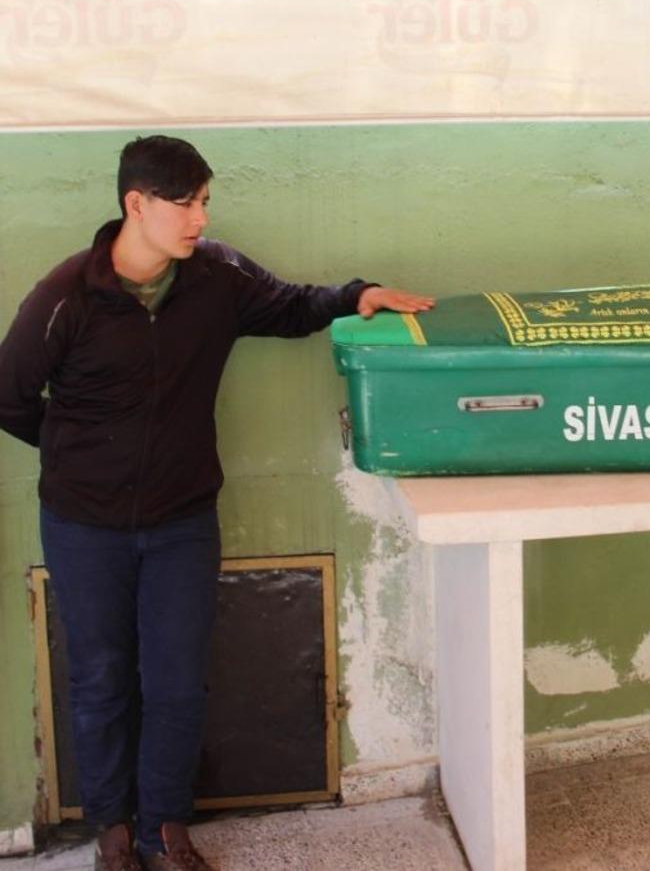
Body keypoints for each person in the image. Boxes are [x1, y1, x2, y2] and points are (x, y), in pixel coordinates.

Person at [0, 136, 434, 871]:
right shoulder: (65, 295)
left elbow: (292, 306)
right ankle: (111, 830)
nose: (200, 217)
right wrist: (85, 458)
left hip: (181, 523)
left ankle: (164, 828)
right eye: (186, 202)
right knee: (100, 677)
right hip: (83, 524)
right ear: (136, 204)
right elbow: (10, 399)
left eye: (205, 200)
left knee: (176, 678)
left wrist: (355, 296)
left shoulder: (216, 277)